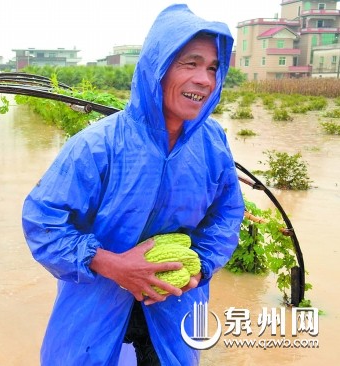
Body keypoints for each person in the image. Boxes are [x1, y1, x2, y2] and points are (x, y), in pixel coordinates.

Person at [21, 4, 245, 366]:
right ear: (158, 66)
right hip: (95, 313)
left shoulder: (212, 144)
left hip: (175, 309)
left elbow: (227, 213)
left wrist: (201, 265)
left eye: (213, 68)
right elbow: (42, 222)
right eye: (190, 63)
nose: (205, 79)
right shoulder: (98, 146)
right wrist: (112, 264)